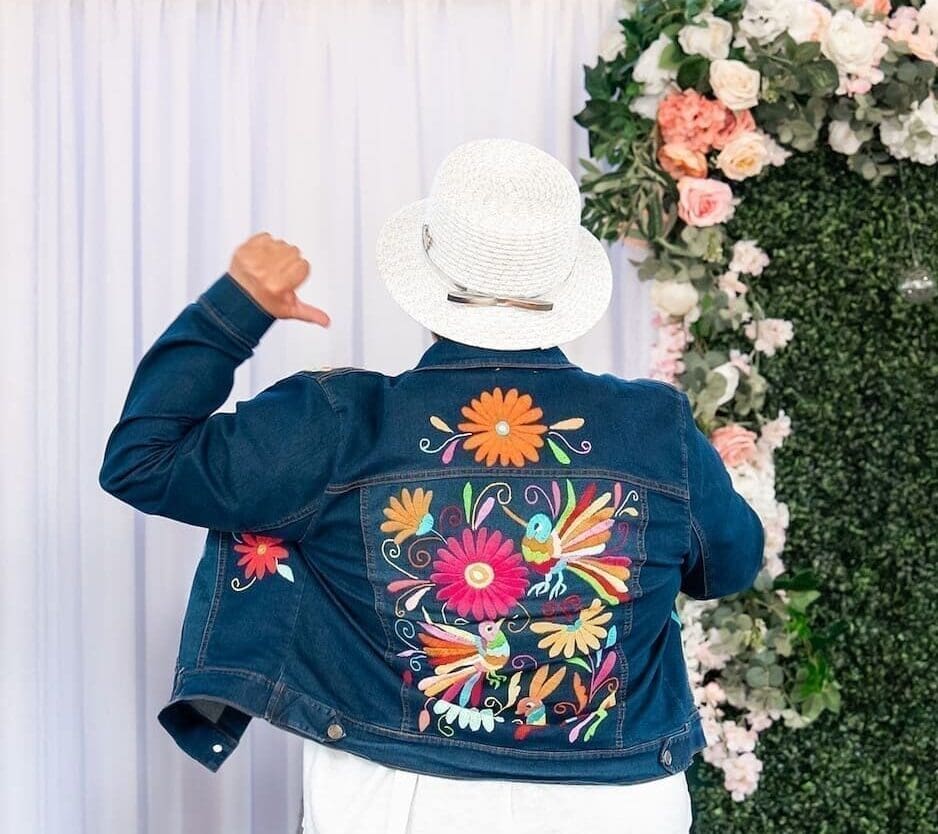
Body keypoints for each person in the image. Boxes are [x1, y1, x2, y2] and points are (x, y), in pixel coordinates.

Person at [99, 138, 765, 834]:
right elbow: (730, 565)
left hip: (396, 797)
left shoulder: (337, 423)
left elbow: (143, 460)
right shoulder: (656, 428)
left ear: (427, 268)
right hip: (619, 801)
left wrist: (235, 310)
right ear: (564, 277)